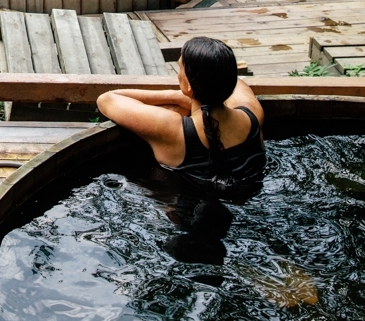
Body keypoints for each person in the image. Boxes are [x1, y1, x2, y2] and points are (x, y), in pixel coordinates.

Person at [96, 36, 266, 203]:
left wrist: (174, 95)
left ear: (190, 84)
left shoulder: (172, 129)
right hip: (246, 196)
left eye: (180, 68)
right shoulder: (252, 114)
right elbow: (237, 84)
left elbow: (107, 99)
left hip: (185, 210)